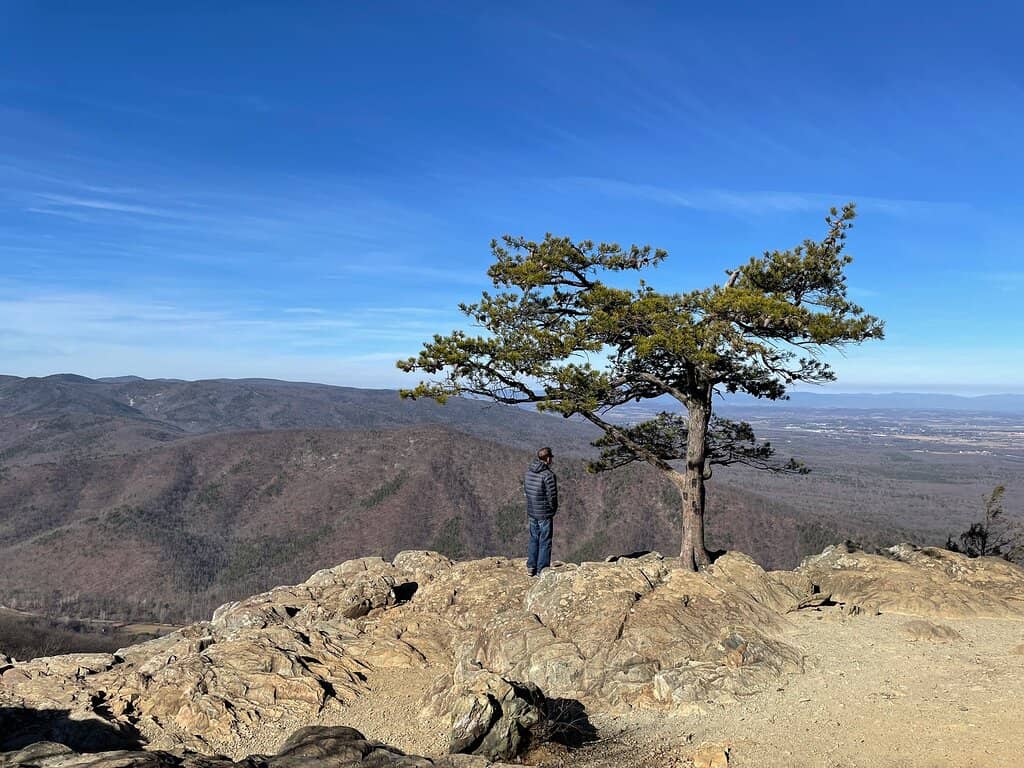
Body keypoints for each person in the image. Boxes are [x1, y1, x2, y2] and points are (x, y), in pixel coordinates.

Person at [524, 446, 557, 576]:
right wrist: (552, 509)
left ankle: (531, 566)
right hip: (544, 513)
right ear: (548, 459)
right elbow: (552, 496)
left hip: (532, 511)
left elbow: (526, 491)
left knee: (533, 538)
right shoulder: (548, 475)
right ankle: (542, 569)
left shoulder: (528, 472)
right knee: (545, 540)